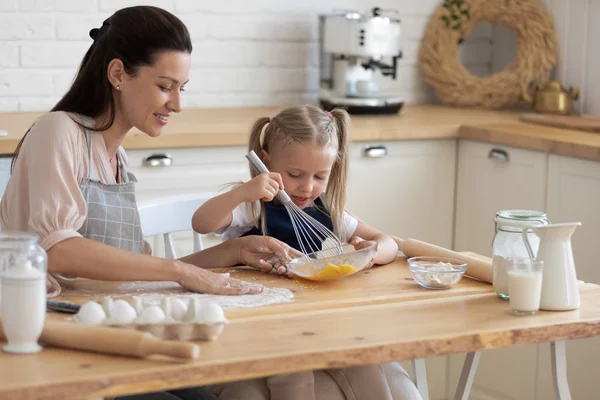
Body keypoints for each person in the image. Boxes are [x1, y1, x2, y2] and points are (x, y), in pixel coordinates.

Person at [0, 6, 300, 400]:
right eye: (165, 86)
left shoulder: (116, 157)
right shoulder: (59, 132)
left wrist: (234, 250)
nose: (177, 104)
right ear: (118, 74)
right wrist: (179, 271)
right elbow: (58, 251)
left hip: (110, 332)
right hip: (56, 344)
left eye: (182, 88)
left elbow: (134, 275)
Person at [193, 105, 422, 400]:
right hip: (263, 331)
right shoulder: (254, 205)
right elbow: (201, 223)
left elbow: (386, 241)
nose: (307, 186)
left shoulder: (328, 211)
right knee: (294, 372)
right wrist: (242, 192)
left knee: (365, 366)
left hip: (321, 325)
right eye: (295, 174)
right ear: (266, 162)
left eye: (320, 176)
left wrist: (372, 252)